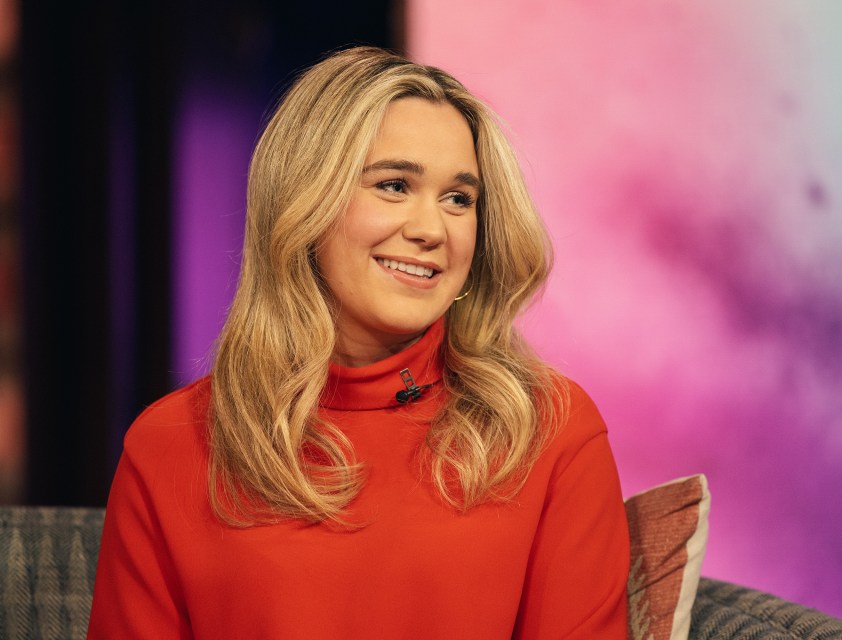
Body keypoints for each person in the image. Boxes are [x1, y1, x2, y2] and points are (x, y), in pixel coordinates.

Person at [88, 46, 628, 639]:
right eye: (394, 185)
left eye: (459, 199)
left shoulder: (551, 431)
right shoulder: (171, 444)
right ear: (305, 203)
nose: (431, 230)